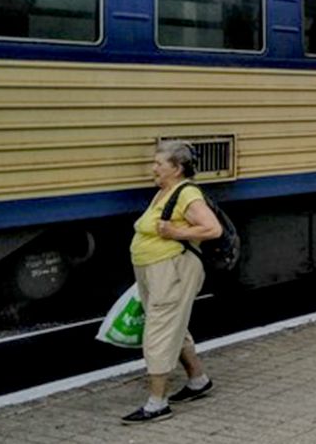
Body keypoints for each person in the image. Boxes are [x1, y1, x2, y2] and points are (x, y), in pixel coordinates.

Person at [123, 141, 222, 423]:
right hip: (155, 269)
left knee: (159, 331)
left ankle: (157, 403)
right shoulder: (165, 191)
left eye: (159, 163)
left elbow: (212, 228)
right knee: (172, 325)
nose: (153, 168)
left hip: (173, 269)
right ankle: (198, 380)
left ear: (177, 169)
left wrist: (173, 231)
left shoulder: (187, 194)